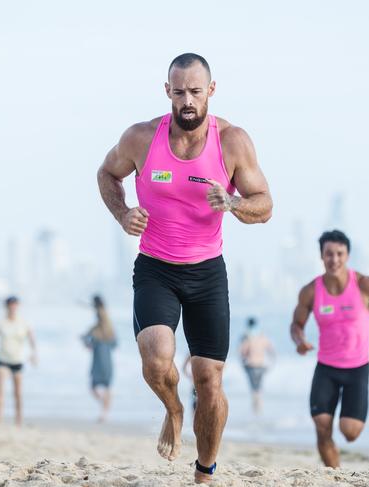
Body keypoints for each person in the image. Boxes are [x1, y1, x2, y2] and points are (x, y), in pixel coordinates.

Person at [97, 52, 272, 483]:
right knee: (157, 361)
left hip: (206, 273)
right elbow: (106, 173)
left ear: (211, 90)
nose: (187, 101)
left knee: (209, 380)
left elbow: (265, 204)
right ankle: (173, 410)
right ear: (167, 92)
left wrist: (232, 203)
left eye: (196, 91)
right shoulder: (141, 138)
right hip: (156, 267)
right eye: (179, 92)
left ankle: (205, 471)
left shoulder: (232, 141)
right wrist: (123, 214)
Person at [290, 230, 369, 468]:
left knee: (350, 431)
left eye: (339, 254)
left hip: (357, 368)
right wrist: (299, 340)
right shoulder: (311, 291)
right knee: (322, 426)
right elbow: (296, 324)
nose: (334, 259)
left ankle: (340, 455)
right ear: (321, 256)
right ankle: (335, 475)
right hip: (326, 368)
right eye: (329, 254)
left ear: (348, 255)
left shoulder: (365, 285)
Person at [0, 296, 37, 425]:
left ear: (18, 306)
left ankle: (18, 419)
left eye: (15, 305)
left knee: (18, 392)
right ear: (6, 306)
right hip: (2, 359)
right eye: (10, 305)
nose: (13, 307)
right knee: (0, 389)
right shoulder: (0, 322)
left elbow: (32, 339)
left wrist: (34, 354)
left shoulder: (24, 322)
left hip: (17, 360)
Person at [81, 295, 117, 423]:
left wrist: (88, 342)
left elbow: (87, 341)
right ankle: (105, 411)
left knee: (94, 386)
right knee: (105, 387)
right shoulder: (107, 329)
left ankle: (104, 410)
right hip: (106, 361)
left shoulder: (98, 329)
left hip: (99, 362)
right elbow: (115, 344)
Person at [239, 317, 275, 414]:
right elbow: (271, 350)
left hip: (251, 366)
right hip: (260, 365)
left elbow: (242, 352)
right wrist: (271, 362)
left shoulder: (246, 337)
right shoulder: (262, 336)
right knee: (258, 388)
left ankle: (256, 409)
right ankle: (258, 409)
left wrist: (243, 362)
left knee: (254, 388)